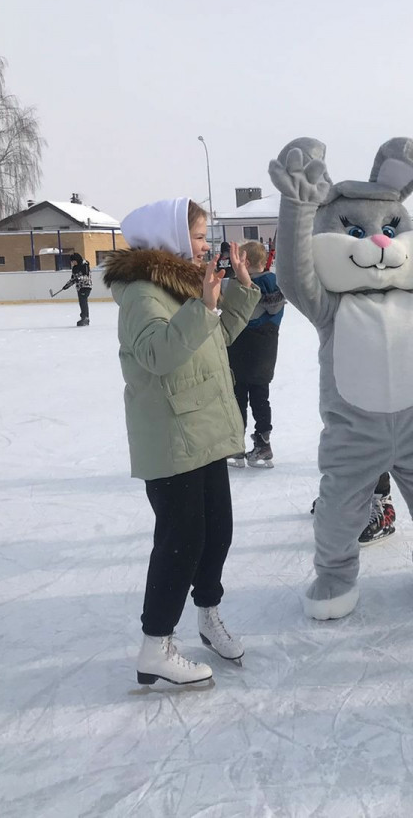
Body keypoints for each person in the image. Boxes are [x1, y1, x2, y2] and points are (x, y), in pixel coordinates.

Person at [103, 198, 260, 686]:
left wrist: (239, 291)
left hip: (204, 430)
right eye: (196, 235)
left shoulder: (183, 286)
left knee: (217, 533)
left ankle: (207, 616)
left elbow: (214, 340)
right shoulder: (142, 295)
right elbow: (158, 355)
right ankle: (156, 645)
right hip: (172, 437)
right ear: (169, 236)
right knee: (181, 542)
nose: (204, 244)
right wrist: (204, 306)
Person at [226, 240, 284, 467]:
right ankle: (261, 444)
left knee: (239, 396)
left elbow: (236, 308)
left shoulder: (251, 282)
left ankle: (240, 446)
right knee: (259, 396)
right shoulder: (272, 281)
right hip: (264, 350)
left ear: (246, 262)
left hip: (246, 345)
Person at [59, 252, 93, 326]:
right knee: (81, 302)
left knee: (83, 301)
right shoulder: (74, 268)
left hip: (86, 286)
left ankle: (85, 318)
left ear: (77, 260)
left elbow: (87, 277)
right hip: (79, 287)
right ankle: (84, 317)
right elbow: (73, 279)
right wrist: (67, 285)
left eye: (73, 261)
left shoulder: (85, 265)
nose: (72, 263)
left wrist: (79, 278)